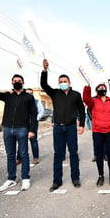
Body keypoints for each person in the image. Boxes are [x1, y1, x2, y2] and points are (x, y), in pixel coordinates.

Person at [0, 71, 37, 191]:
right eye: (15, 81)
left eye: (19, 81)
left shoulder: (29, 97)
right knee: (10, 155)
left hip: (22, 129)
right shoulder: (8, 96)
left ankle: (25, 178)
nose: (17, 82)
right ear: (12, 83)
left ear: (23, 83)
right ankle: (11, 179)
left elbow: (34, 114)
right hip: (7, 129)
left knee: (23, 154)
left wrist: (32, 130)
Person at [41, 59, 85, 191]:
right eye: (60, 82)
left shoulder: (76, 95)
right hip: (58, 128)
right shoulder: (55, 93)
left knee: (73, 154)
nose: (63, 84)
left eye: (65, 82)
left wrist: (81, 124)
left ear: (69, 83)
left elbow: (82, 110)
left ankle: (75, 179)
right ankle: (57, 181)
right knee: (58, 154)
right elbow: (43, 84)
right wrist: (44, 70)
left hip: (71, 127)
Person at [83, 83, 110, 186]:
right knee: (99, 155)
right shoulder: (93, 102)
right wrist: (87, 87)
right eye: (99, 88)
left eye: (103, 87)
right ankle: (100, 176)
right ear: (96, 91)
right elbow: (86, 99)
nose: (102, 89)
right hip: (98, 132)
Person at [16, 88, 44, 165]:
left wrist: (35, 119)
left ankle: (35, 157)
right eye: (28, 93)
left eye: (31, 93)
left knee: (33, 140)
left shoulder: (37, 102)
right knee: (21, 141)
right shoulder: (21, 102)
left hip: (33, 123)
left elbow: (41, 111)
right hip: (23, 124)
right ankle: (19, 158)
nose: (30, 95)